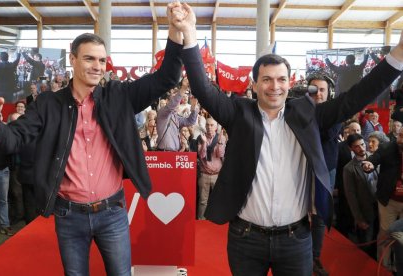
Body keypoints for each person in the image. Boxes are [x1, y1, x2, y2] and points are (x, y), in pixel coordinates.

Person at [170, 3, 403, 275]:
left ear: (290, 83)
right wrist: (189, 32)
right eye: (266, 80)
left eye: (281, 79)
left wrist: (398, 54)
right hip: (246, 239)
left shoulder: (308, 115)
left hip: (296, 240)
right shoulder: (238, 113)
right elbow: (202, 87)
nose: (274, 86)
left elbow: (357, 96)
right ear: (254, 84)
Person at [0, 2, 183, 274]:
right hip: (69, 216)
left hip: (113, 212)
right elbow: (13, 139)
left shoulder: (118, 96)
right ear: (73, 59)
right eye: (89, 58)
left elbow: (168, 77)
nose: (97, 66)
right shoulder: (47, 104)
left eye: (102, 60)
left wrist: (175, 32)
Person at [307, 73, 341, 276]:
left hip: (325, 170)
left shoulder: (336, 112)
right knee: (299, 212)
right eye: (314, 89)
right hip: (300, 166)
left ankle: (314, 257)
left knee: (319, 216)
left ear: (329, 93)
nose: (318, 93)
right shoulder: (298, 110)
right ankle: (302, 255)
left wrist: (308, 125)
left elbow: (327, 134)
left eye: (322, 90)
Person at [362, 126, 403, 271]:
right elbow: (374, 158)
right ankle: (383, 267)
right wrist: (369, 164)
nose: (400, 139)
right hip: (388, 201)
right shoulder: (387, 147)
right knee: (385, 233)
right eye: (400, 135)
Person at [343, 133, 378, 258]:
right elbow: (351, 196)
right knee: (367, 244)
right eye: (357, 146)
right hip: (365, 210)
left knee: (380, 240)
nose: (362, 148)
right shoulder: (349, 169)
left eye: (363, 144)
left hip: (381, 207)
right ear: (351, 148)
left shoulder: (374, 158)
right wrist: (359, 219)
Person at [197, 118, 226, 219]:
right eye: (207, 125)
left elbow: (220, 154)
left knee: (217, 201)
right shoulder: (201, 138)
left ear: (216, 127)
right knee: (202, 202)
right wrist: (204, 143)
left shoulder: (221, 138)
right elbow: (201, 155)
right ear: (205, 126)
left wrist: (220, 143)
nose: (209, 127)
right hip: (204, 174)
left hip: (216, 175)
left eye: (212, 125)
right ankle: (201, 221)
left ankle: (216, 221)